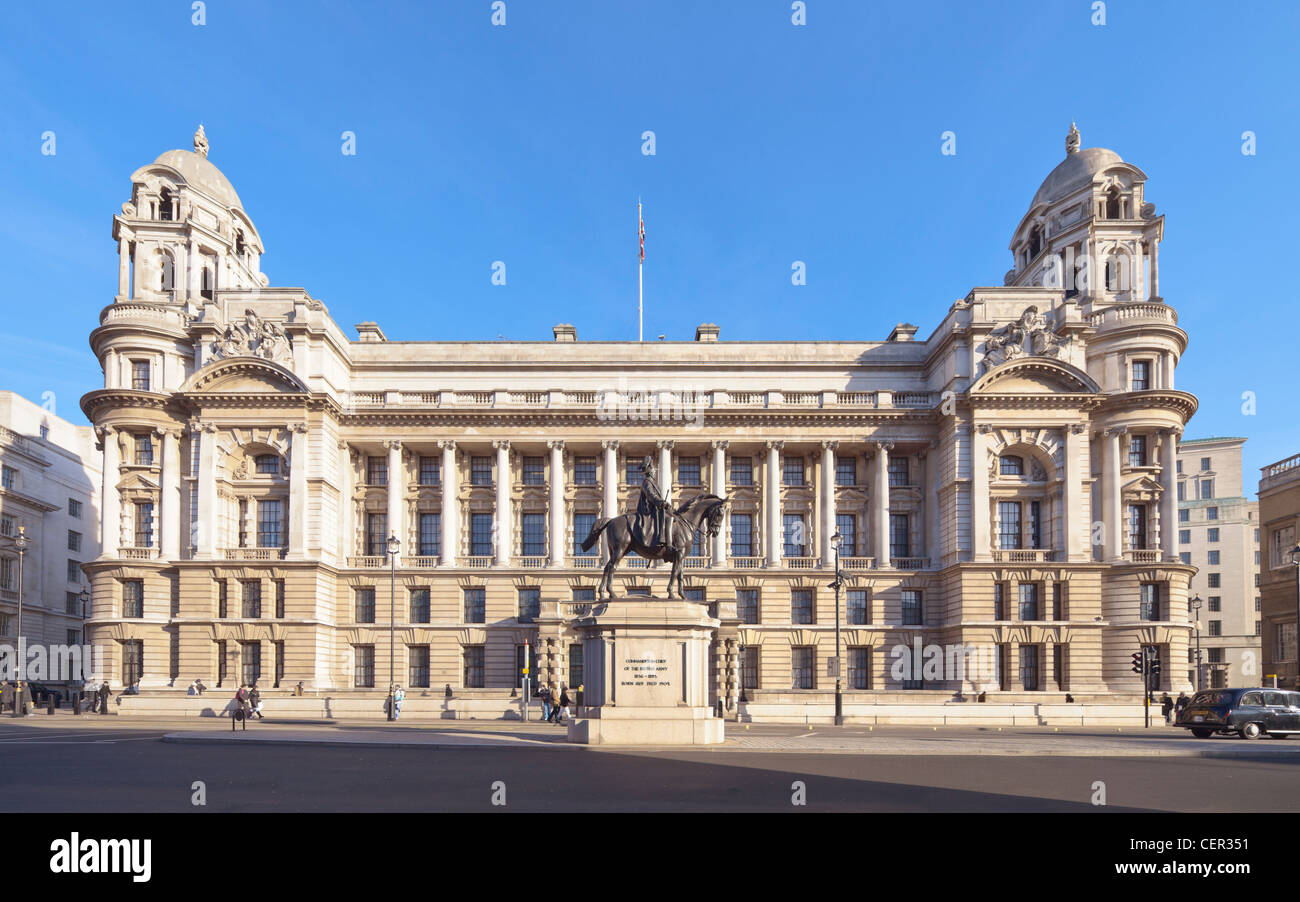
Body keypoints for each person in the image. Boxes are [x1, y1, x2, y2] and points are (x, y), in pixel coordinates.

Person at [632, 455, 672, 550]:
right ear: (650, 472)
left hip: (654, 507)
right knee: (668, 518)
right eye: (654, 470)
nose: (655, 471)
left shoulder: (652, 483)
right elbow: (651, 495)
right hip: (649, 510)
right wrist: (661, 502)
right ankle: (666, 543)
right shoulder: (647, 482)